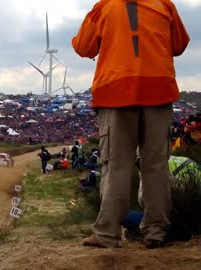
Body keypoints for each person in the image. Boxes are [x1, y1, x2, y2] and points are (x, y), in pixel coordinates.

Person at [73, 0, 190, 249]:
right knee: (156, 166)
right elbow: (179, 45)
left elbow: (83, 47)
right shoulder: (164, 5)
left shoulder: (104, 7)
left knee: (117, 165)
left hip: (116, 94)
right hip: (159, 93)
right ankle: (156, 231)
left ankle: (107, 234)